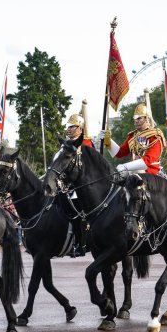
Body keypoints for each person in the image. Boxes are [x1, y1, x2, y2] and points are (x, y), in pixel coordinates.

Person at [98, 89, 166, 177]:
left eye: (139, 118)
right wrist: (107, 140)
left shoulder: (155, 136)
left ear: (146, 118)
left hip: (152, 173)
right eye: (135, 119)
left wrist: (125, 166)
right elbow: (119, 153)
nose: (136, 121)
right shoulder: (133, 136)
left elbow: (147, 160)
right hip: (134, 171)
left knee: (136, 173)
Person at [63, 99, 93, 257]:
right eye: (68, 126)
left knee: (78, 214)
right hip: (67, 184)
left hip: (82, 185)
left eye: (72, 126)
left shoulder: (86, 143)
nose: (68, 129)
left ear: (80, 128)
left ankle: (80, 244)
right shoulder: (66, 143)